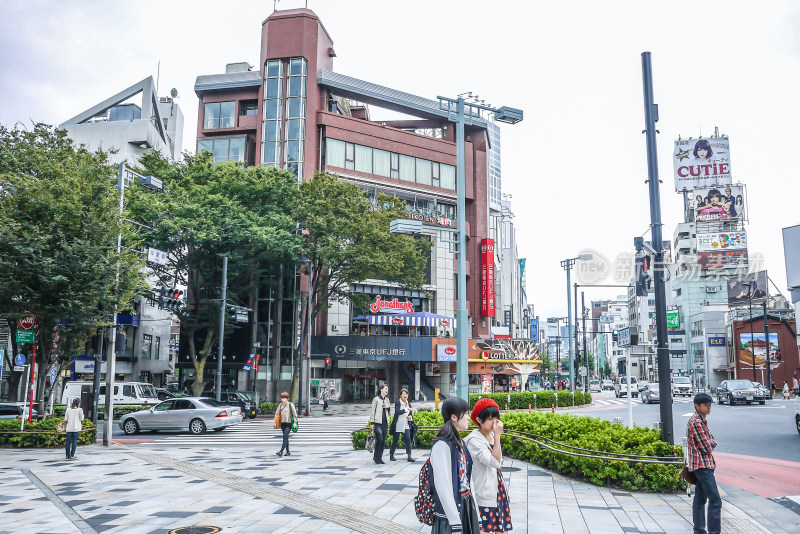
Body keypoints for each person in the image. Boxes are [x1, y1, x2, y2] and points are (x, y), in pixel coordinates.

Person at [431, 396, 481, 534]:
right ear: (454, 417)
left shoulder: (461, 444)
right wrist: (455, 523)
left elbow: (468, 481)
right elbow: (443, 486)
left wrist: (475, 513)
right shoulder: (442, 445)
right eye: (465, 414)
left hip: (465, 508)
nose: (468, 417)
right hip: (449, 517)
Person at [464, 399, 512, 533]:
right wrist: (497, 435)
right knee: (485, 529)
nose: (495, 422)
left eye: (497, 418)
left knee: (501, 529)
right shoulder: (473, 440)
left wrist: (495, 436)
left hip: (497, 489)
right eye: (490, 419)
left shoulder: (491, 435)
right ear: (479, 420)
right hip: (484, 494)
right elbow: (495, 462)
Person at [687, 393, 720, 534]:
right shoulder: (696, 422)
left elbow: (711, 440)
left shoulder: (701, 420)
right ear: (697, 406)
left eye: (710, 405)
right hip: (703, 466)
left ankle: (699, 530)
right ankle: (713, 532)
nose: (709, 408)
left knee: (700, 499)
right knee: (715, 500)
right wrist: (712, 442)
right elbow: (707, 446)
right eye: (706, 405)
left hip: (701, 465)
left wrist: (711, 442)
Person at [389, 388, 415, 462]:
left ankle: (409, 456)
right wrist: (405, 410)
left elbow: (410, 413)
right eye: (403, 394)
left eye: (406, 394)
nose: (405, 395)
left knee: (408, 440)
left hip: (406, 424)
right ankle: (391, 455)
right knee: (395, 440)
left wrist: (410, 417)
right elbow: (397, 412)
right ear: (400, 395)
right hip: (398, 424)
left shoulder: (408, 403)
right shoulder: (398, 403)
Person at [369, 384, 391, 464]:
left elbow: (390, 413)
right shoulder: (376, 399)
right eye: (386, 389)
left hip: (385, 423)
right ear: (381, 389)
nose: (387, 390)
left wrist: (388, 407)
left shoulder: (387, 400)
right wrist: (372, 423)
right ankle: (376, 456)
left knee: (383, 441)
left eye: (387, 389)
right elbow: (372, 411)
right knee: (380, 439)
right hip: (377, 423)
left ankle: (379, 458)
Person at [275, 392, 297, 457]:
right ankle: (288, 452)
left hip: (289, 423)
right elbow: (277, 413)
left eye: (284, 398)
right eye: (282, 398)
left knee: (285, 436)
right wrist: (275, 422)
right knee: (286, 437)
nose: (283, 399)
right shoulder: (280, 405)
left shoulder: (290, 405)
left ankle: (281, 451)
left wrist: (295, 422)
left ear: (287, 398)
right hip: (282, 423)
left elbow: (294, 414)